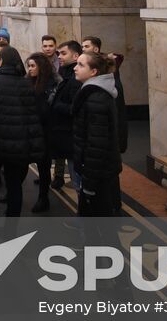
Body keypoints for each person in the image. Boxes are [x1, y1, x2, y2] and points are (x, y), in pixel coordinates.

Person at [0, 46, 44, 219]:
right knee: (14, 184)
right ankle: (12, 220)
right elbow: (32, 114)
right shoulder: (26, 83)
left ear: (2, 61)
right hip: (19, 142)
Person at [72, 50, 122, 217]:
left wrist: (89, 181)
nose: (75, 68)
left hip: (96, 172)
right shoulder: (93, 93)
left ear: (93, 72)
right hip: (97, 170)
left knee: (98, 220)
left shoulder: (96, 99)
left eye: (80, 64)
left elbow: (96, 143)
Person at [42, 40, 83, 192]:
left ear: (76, 55)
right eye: (59, 53)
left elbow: (75, 108)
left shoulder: (75, 79)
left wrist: (55, 105)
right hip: (63, 133)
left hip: (70, 134)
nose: (59, 57)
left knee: (77, 178)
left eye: (63, 53)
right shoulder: (65, 72)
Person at [25, 51, 60, 213]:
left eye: (33, 66)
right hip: (29, 129)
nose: (30, 69)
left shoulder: (52, 84)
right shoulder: (27, 82)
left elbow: (49, 109)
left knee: (44, 166)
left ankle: (43, 197)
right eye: (28, 66)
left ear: (41, 67)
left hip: (46, 131)